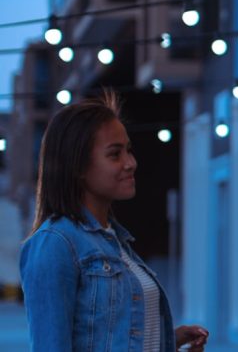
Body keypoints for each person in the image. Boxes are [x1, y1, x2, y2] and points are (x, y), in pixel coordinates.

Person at [20, 93, 210, 351]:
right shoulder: (55, 244)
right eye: (114, 154)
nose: (131, 163)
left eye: (128, 151)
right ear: (78, 166)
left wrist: (168, 341)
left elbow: (113, 337)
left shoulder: (116, 240)